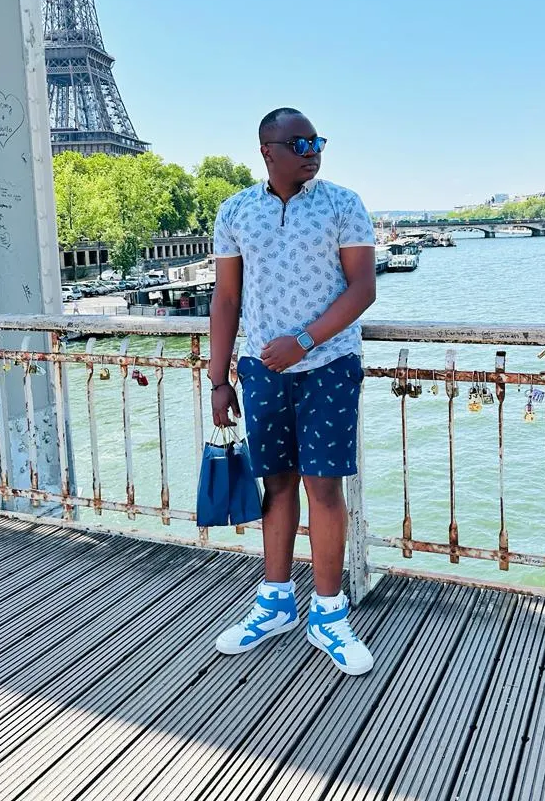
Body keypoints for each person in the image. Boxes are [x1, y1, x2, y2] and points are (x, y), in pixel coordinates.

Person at [209, 107, 377, 676]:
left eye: (316, 140)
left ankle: (329, 613)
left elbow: (363, 289)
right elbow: (226, 301)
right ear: (267, 151)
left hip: (328, 364)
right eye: (298, 141)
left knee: (323, 489)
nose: (312, 149)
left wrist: (304, 341)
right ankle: (275, 601)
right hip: (260, 371)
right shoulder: (235, 211)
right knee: (275, 486)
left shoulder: (342, 204)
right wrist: (217, 378)